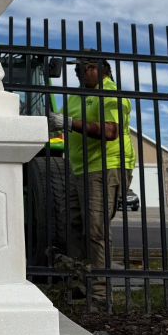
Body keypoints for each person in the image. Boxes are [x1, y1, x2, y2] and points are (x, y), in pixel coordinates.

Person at [50, 54, 134, 308]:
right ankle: (78, 286)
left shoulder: (111, 94)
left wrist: (68, 123)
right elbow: (58, 123)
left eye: (80, 70)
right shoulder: (77, 96)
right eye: (75, 70)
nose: (76, 74)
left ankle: (99, 295)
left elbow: (110, 131)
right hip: (78, 169)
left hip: (106, 167)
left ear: (97, 69)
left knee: (95, 229)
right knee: (73, 225)